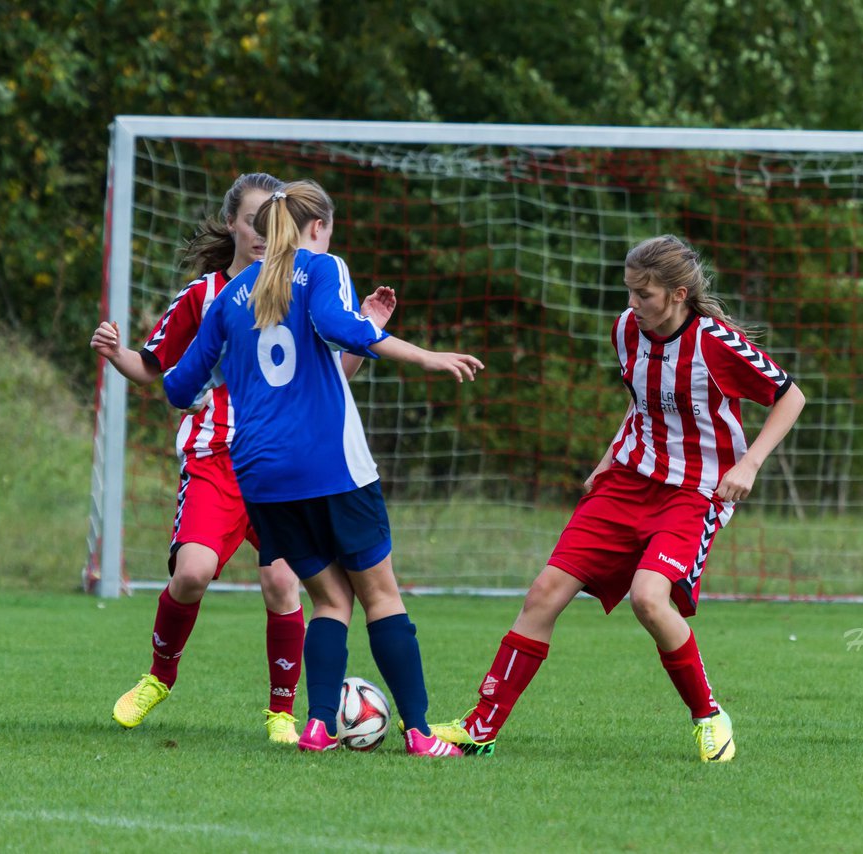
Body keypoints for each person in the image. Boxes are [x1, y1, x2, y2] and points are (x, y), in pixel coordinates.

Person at [431, 234, 806, 763]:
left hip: (693, 493)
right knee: (543, 593)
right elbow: (642, 404)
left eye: (643, 294)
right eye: (628, 291)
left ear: (678, 294)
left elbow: (792, 395)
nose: (632, 304)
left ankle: (708, 716)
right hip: (627, 482)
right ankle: (480, 728)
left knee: (649, 599)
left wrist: (749, 464)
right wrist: (610, 456)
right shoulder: (627, 330)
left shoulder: (716, 343)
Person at [162, 179, 484, 757]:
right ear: (319, 227)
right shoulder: (322, 266)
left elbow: (179, 385)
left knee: (331, 600)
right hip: (330, 465)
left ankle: (316, 728)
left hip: (260, 474)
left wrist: (211, 395)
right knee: (382, 596)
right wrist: (424, 355)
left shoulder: (232, 293)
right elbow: (340, 328)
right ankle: (420, 733)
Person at [90, 173, 393, 744]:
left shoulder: (301, 288)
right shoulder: (207, 296)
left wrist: (368, 333)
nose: (263, 233)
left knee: (283, 585)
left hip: (283, 464)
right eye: (254, 221)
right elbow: (158, 371)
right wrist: (117, 354)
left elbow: (336, 376)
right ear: (233, 224)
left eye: (272, 222)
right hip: (216, 459)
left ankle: (281, 712)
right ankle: (159, 677)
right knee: (193, 574)